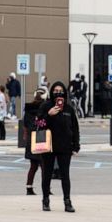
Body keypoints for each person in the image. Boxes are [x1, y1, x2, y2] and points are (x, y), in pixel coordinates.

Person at [36, 81, 80, 212]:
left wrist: (76, 145)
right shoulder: (45, 106)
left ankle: (67, 201)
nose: (58, 93)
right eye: (55, 91)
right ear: (51, 92)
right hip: (48, 146)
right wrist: (48, 115)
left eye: (61, 91)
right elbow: (38, 123)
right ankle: (45, 200)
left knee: (65, 175)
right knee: (47, 174)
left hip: (65, 146)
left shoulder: (68, 108)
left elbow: (75, 128)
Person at [22, 88, 46, 195]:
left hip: (31, 137)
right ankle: (46, 189)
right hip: (41, 137)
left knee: (33, 166)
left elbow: (25, 124)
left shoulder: (28, 108)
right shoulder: (44, 107)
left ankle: (29, 187)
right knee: (44, 165)